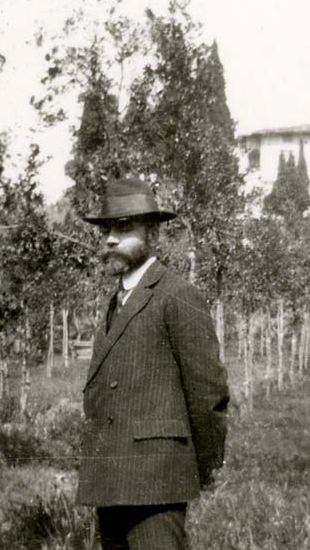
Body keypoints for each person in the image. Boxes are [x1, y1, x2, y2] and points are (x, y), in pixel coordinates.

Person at [77, 177, 229, 549]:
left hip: (157, 482)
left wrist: (202, 467)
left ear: (154, 235)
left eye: (124, 227)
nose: (111, 238)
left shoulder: (178, 295)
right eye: (107, 229)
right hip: (110, 479)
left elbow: (208, 393)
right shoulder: (116, 302)